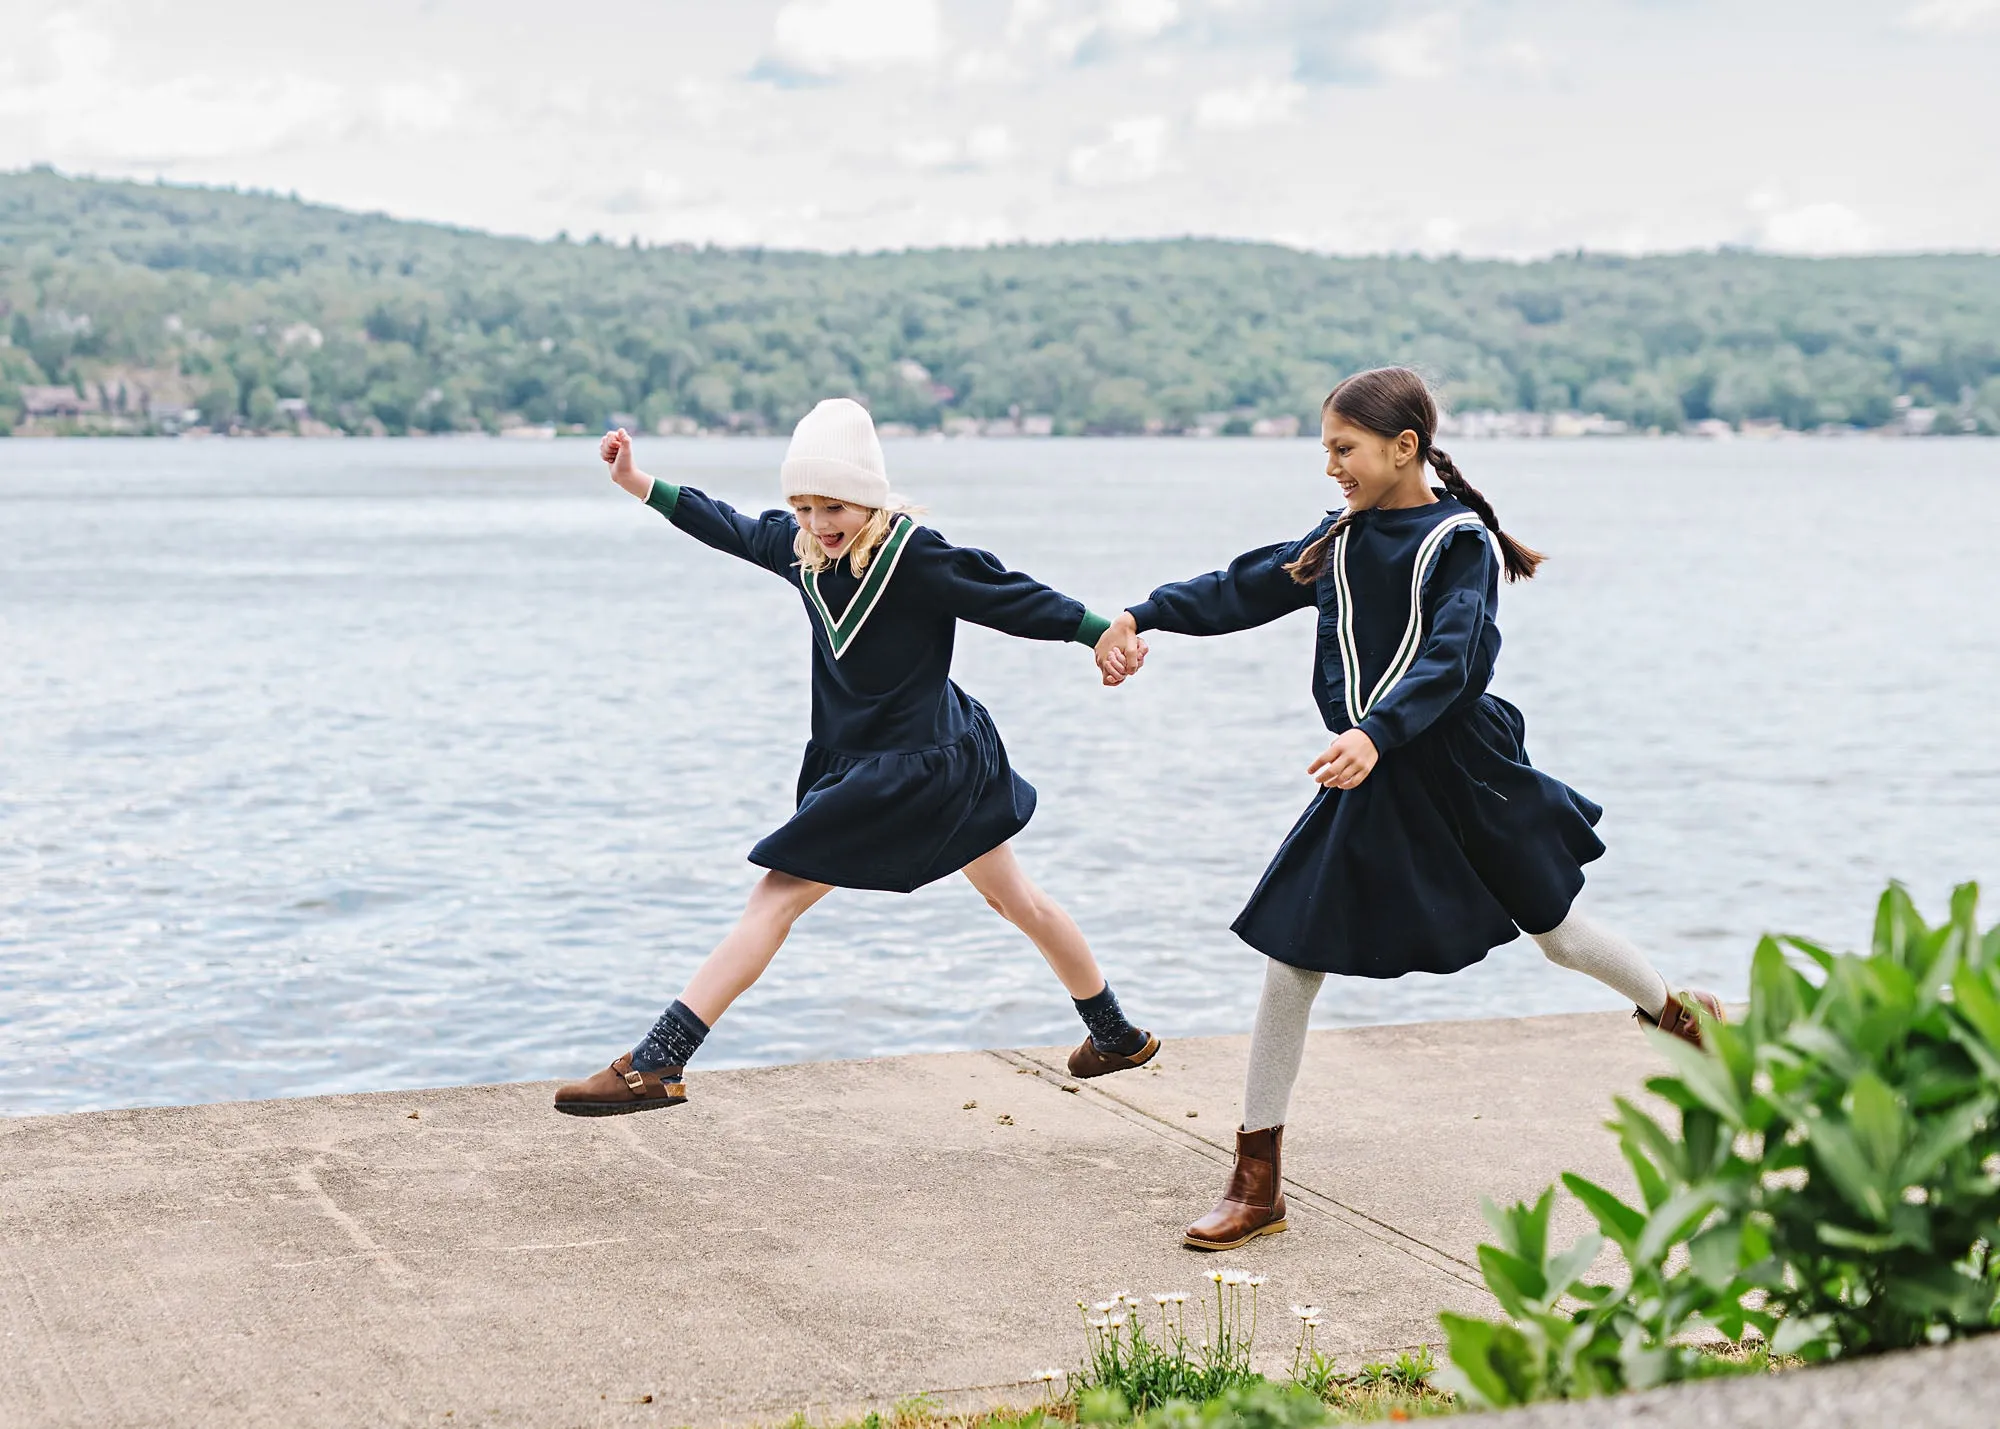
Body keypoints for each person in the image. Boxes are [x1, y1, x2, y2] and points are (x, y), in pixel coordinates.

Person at [1094, 366, 1722, 1251]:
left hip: (1460, 767)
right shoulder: (1341, 533)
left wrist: (1377, 732)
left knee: (1560, 934)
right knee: (1292, 952)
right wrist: (1140, 612)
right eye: (1324, 450)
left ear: (1404, 448)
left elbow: (1454, 657)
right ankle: (1257, 1175)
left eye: (1343, 449)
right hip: (1370, 770)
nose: (1331, 467)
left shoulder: (1457, 541)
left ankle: (1681, 1017)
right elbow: (1244, 585)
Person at [554, 398, 1159, 1115]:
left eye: (833, 505)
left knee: (773, 901)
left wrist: (1098, 632)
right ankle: (1114, 1031)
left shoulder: (915, 554)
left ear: (868, 496)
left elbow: (1007, 595)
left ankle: (658, 1062)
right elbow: (724, 524)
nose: (819, 523)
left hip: (919, 765)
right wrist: (637, 480)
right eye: (804, 505)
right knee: (1012, 897)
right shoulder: (798, 547)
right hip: (892, 759)